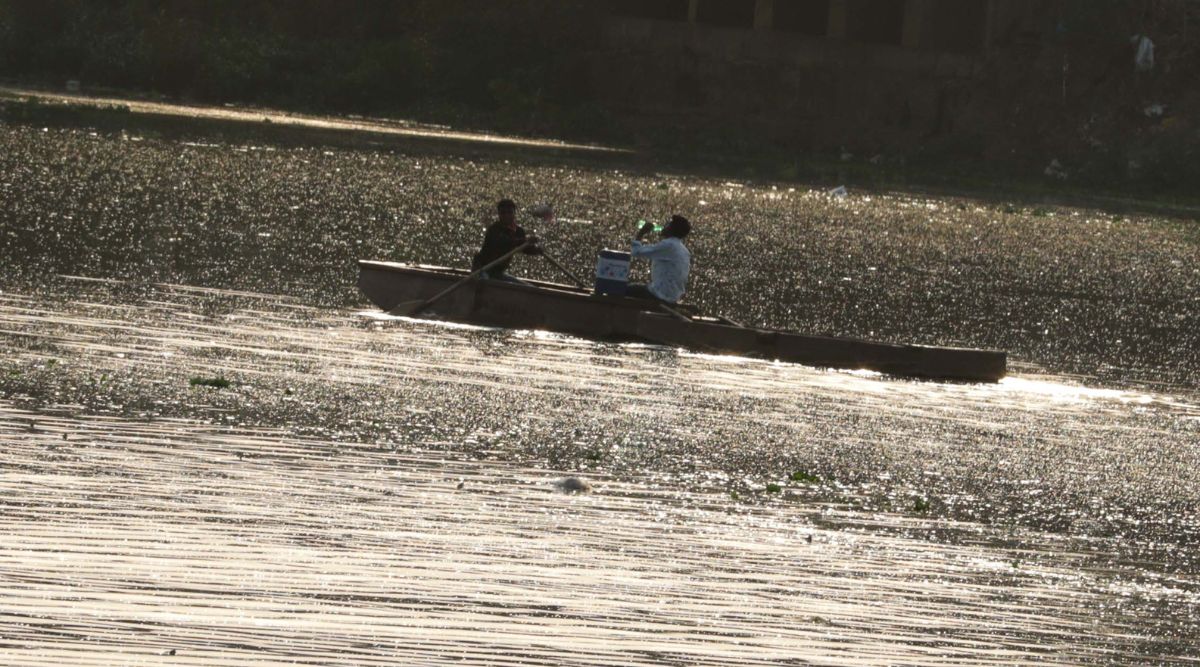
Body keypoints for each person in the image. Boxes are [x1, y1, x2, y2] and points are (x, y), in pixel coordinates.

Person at [472, 199, 542, 282]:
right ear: (499, 214)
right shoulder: (494, 229)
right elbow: (503, 242)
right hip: (482, 269)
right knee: (484, 282)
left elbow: (525, 248)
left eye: (509, 212)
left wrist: (537, 250)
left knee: (521, 285)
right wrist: (525, 240)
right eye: (503, 213)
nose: (506, 215)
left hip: (497, 272)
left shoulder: (519, 231)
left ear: (514, 213)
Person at [626, 214, 691, 304]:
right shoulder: (684, 250)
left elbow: (636, 252)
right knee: (638, 286)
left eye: (668, 224)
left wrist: (642, 232)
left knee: (622, 289)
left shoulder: (669, 245)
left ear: (671, 229)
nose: (664, 226)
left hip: (659, 294)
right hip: (673, 296)